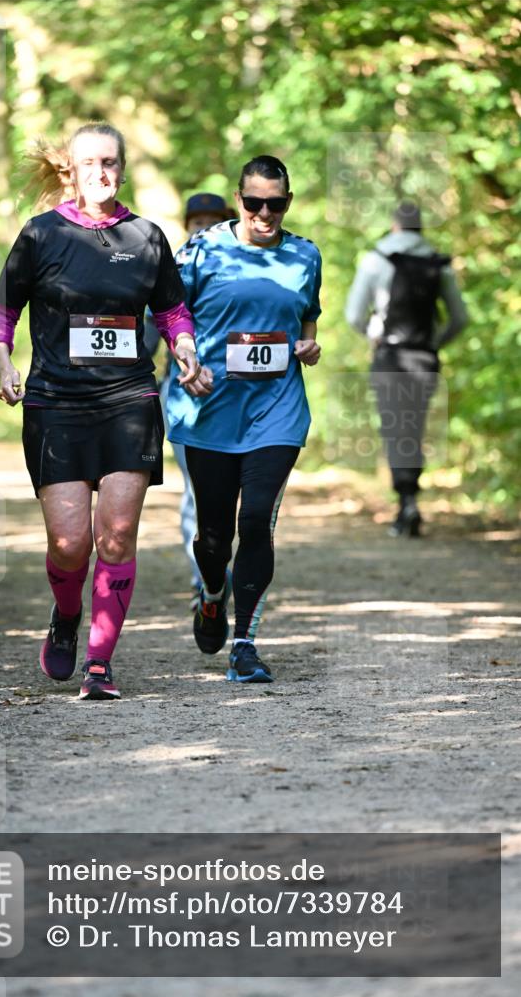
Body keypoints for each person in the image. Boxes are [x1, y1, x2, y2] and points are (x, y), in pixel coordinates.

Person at [0, 121, 206, 701]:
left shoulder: (146, 237)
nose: (100, 173)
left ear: (123, 168)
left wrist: (184, 348)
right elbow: (1, 312)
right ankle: (65, 616)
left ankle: (100, 663)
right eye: (89, 164)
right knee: (69, 544)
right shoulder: (41, 235)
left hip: (128, 400)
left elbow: (173, 312)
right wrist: (5, 364)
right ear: (73, 171)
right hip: (55, 403)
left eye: (110, 162)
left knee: (118, 533)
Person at [167, 155, 322, 684]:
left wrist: (308, 345)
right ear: (238, 200)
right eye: (254, 202)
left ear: (287, 203)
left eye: (275, 204)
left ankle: (245, 644)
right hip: (210, 411)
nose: (264, 213)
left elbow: (306, 319)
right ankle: (213, 595)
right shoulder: (200, 250)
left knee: (256, 520)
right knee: (213, 537)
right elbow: (168, 315)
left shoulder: (305, 255)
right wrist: (184, 358)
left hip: (277, 412)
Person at [345, 201, 469, 536]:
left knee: (394, 428)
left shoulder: (376, 259)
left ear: (394, 225)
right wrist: (436, 342)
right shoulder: (437, 262)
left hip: (390, 356)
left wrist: (373, 335)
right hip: (425, 357)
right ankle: (410, 499)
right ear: (421, 227)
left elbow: (354, 314)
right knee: (414, 428)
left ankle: (406, 502)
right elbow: (460, 317)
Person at [145, 192, 231, 611]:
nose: (203, 229)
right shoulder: (174, 267)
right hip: (182, 392)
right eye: (196, 222)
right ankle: (205, 579)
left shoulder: (245, 268)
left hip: (240, 395)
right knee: (197, 488)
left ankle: (227, 566)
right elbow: (148, 328)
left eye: (212, 221)